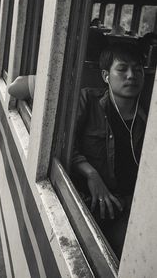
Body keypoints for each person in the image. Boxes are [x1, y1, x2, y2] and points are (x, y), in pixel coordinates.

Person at [71, 42, 146, 258]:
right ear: (106, 75)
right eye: (122, 69)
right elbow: (66, 144)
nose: (131, 75)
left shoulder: (149, 115)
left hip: (130, 207)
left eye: (138, 69)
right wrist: (90, 173)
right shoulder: (88, 100)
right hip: (90, 206)